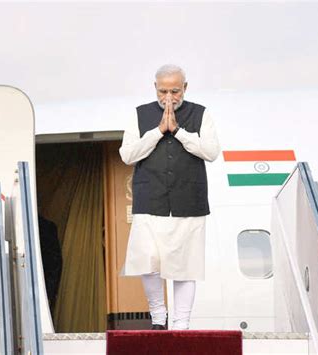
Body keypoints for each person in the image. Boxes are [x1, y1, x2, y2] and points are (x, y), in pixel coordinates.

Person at [119, 64, 221, 330]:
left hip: (189, 200)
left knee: (185, 267)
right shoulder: (140, 115)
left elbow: (211, 152)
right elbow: (127, 155)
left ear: (185, 88)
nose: (169, 97)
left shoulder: (201, 114)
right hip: (150, 199)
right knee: (147, 259)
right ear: (155, 87)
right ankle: (158, 317)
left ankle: (181, 324)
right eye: (163, 90)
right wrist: (158, 131)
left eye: (175, 91)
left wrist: (178, 132)